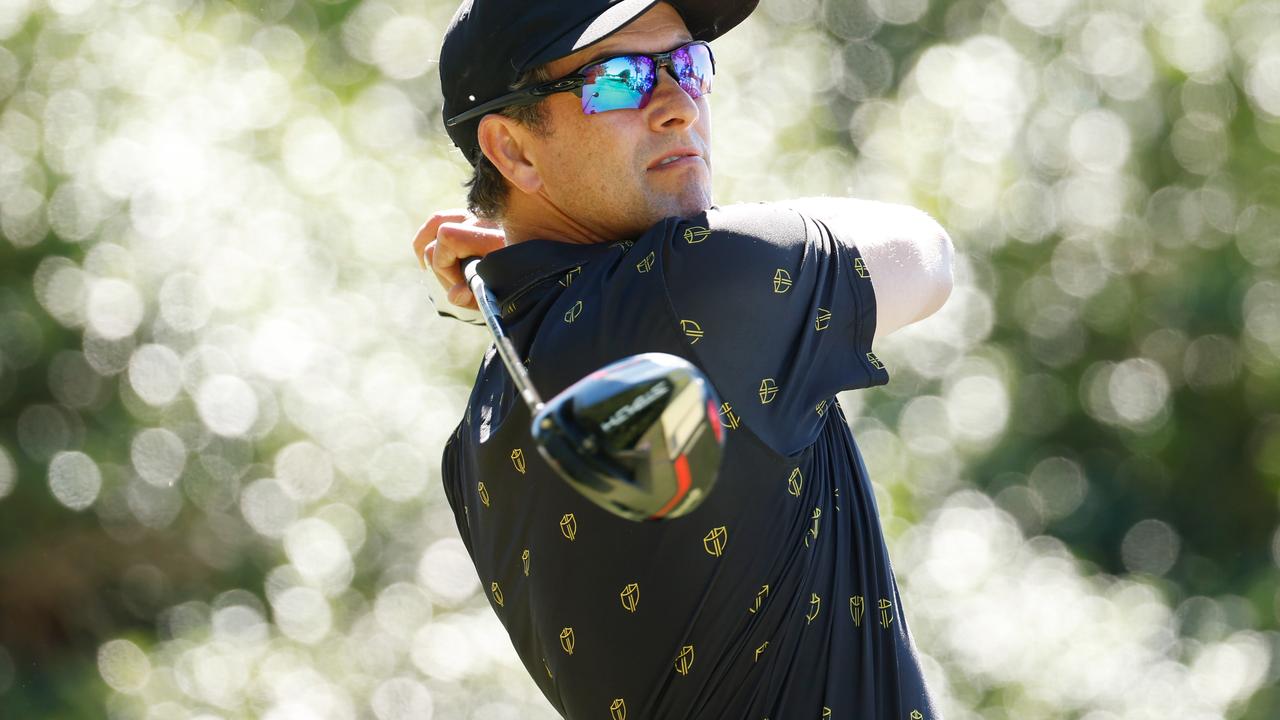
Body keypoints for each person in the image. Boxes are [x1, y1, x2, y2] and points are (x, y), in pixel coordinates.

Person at [418, 0, 954, 717]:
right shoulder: (697, 284)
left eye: (687, 66)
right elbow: (927, 253)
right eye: (619, 80)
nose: (678, 106)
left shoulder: (478, 431)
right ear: (513, 151)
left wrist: (514, 260)